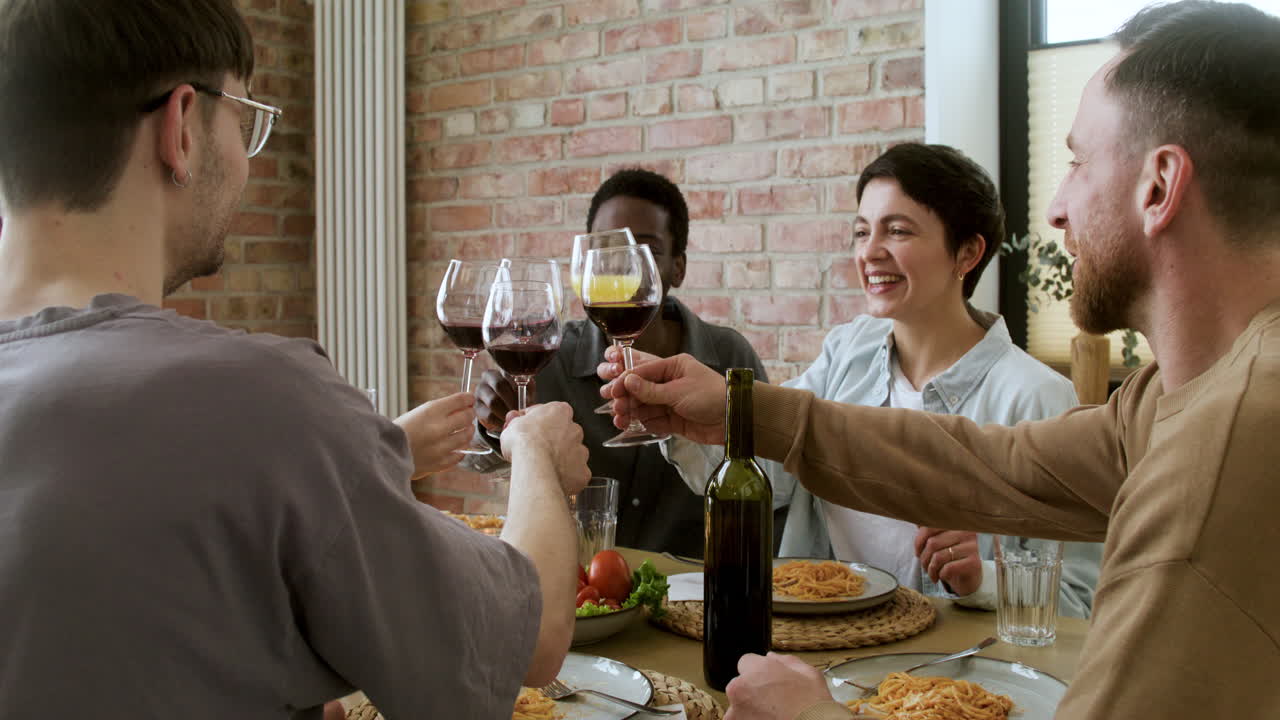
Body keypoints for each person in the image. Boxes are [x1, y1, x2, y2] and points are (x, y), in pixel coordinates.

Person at [604, 2, 1280, 718]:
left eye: (1079, 162)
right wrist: (740, 410)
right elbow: (987, 465)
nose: (1055, 207)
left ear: (1159, 186)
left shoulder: (1230, 444)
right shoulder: (1176, 397)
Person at [0, 2, 589, 718]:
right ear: (181, 127)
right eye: (243, 119)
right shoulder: (261, 402)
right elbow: (531, 640)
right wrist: (536, 454)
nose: (246, 161)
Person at [631, 143, 1099, 616]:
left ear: (967, 252)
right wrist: (677, 421)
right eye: (861, 231)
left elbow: (1083, 599)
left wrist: (983, 580)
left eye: (897, 230)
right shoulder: (847, 351)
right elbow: (769, 474)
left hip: (949, 661)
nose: (870, 252)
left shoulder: (1037, 398)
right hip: (821, 640)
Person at [466, 168, 768, 558]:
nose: (622, 269)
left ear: (678, 268)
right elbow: (480, 464)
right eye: (604, 254)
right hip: (580, 583)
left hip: (694, 584)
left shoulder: (730, 358)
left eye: (645, 252)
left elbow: (770, 485)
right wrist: (493, 426)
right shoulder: (550, 355)